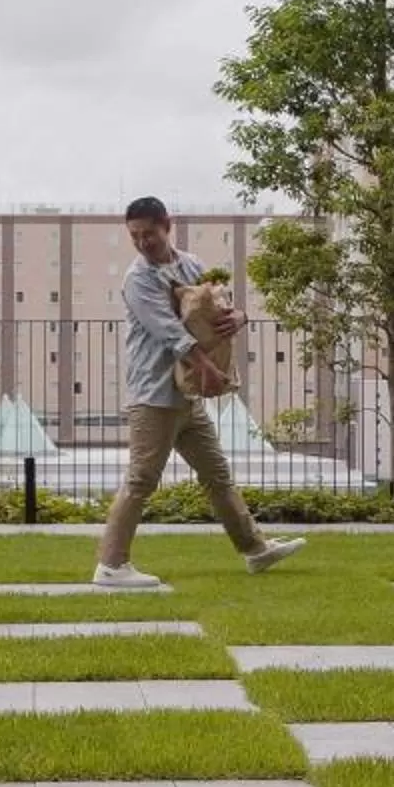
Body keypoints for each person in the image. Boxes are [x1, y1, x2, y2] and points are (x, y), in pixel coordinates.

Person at [92, 196, 307, 587]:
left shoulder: (190, 265)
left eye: (149, 233)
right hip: (154, 396)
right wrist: (206, 368)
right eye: (135, 236)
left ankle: (255, 550)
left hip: (186, 395)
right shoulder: (138, 279)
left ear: (167, 225)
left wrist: (240, 316)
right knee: (141, 480)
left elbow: (217, 303)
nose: (142, 242)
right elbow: (169, 332)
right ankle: (111, 566)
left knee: (217, 475)